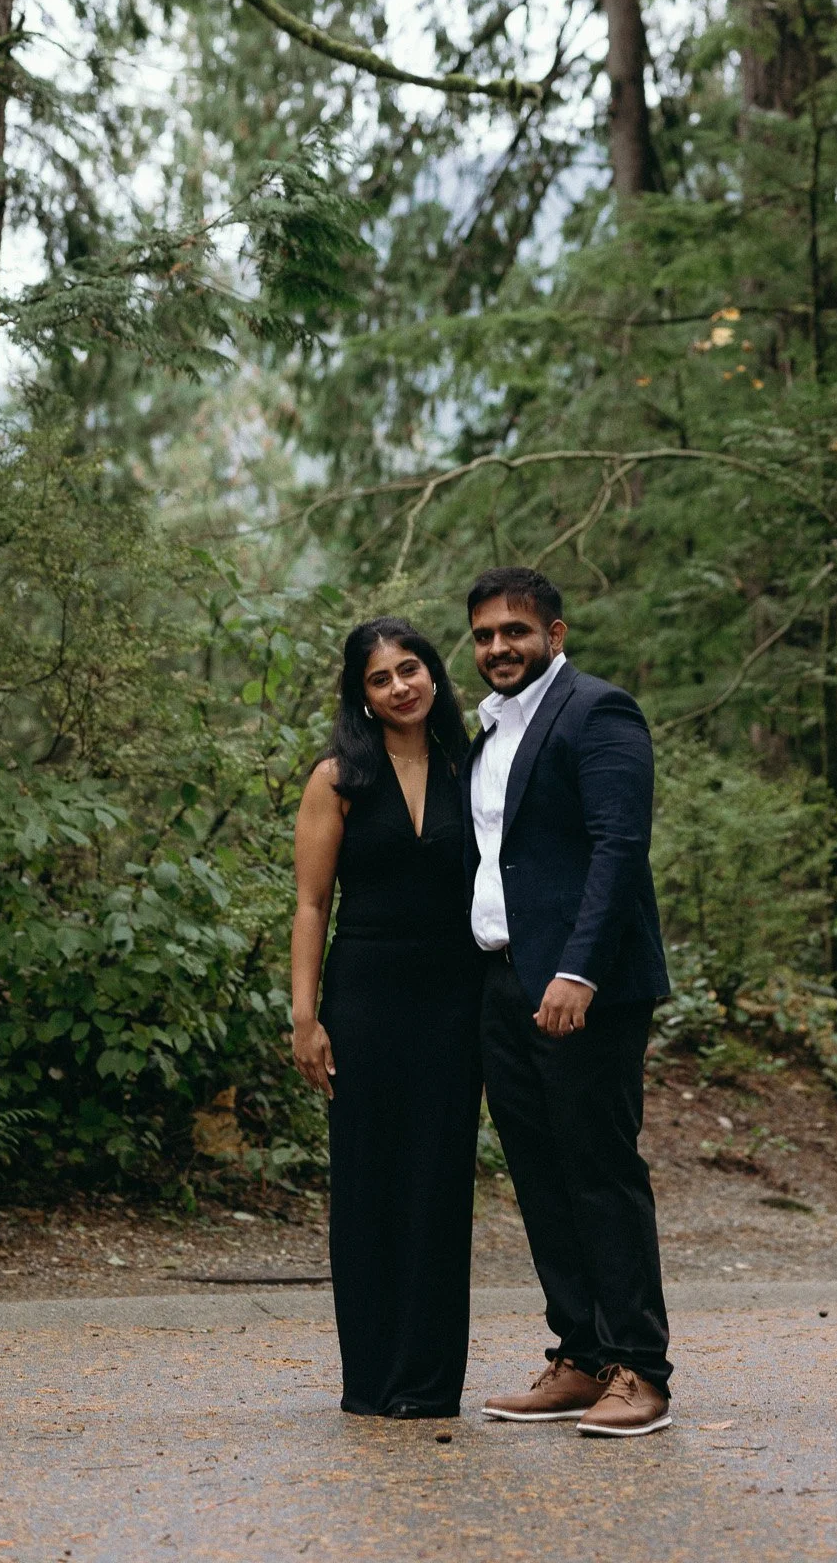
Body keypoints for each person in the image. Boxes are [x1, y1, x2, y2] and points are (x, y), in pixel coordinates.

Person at [463, 565, 673, 1438]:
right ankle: (581, 1358)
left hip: (582, 987)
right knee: (541, 1178)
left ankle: (641, 1371)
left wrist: (578, 972)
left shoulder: (598, 711)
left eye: (515, 631)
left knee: (598, 1171)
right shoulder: (485, 733)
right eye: (482, 635)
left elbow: (618, 850)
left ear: (556, 632)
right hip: (503, 981)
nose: (498, 648)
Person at [291, 616, 481, 1418]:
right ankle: (370, 1379)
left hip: (454, 995)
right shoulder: (337, 777)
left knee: (438, 1183)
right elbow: (309, 902)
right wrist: (304, 1017)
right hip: (363, 994)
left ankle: (429, 1384)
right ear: (361, 695)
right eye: (380, 677)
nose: (400, 685)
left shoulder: (474, 770)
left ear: (434, 675)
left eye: (411, 669)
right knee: (368, 1180)